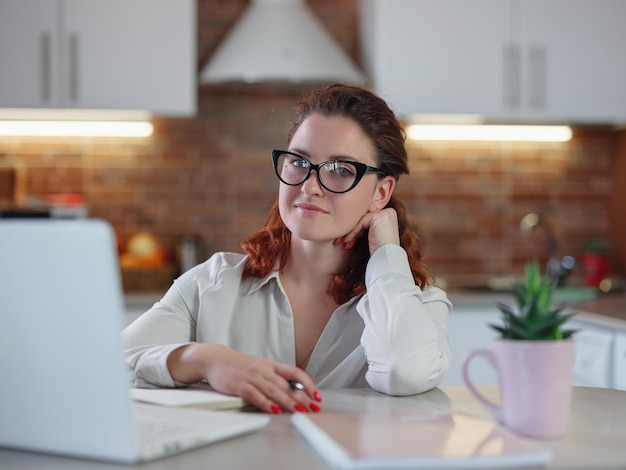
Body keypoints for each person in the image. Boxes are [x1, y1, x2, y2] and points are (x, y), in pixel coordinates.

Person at [123, 84, 452, 415]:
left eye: (341, 170)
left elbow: (404, 373)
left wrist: (386, 250)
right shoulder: (210, 286)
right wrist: (204, 360)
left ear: (381, 192)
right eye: (299, 162)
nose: (310, 187)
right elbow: (109, 364)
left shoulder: (420, 303)